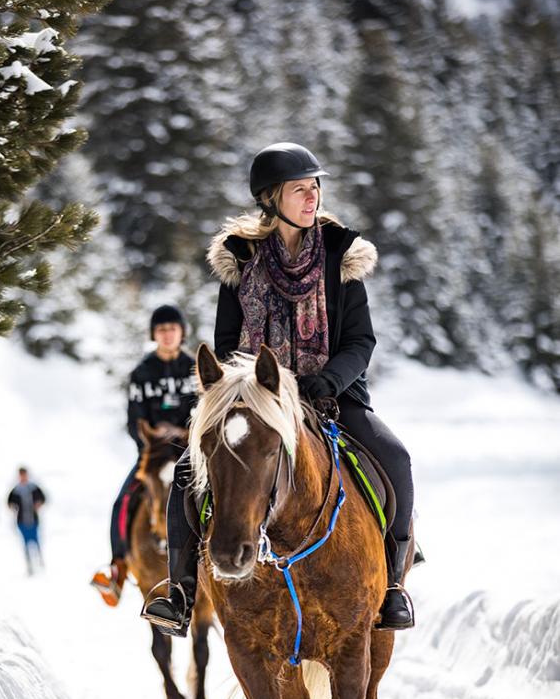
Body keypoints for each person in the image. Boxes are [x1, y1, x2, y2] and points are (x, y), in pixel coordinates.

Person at [144, 142, 416, 636]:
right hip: (256, 402)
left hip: (330, 397)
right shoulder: (239, 261)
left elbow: (361, 340)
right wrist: (251, 389)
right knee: (187, 472)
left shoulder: (341, 256)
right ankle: (181, 592)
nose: (311, 197)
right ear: (272, 198)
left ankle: (393, 584)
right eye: (299, 189)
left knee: (395, 457)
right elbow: (228, 344)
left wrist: (326, 380)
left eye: (315, 187)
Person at [91, 305, 198, 606]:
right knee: (122, 501)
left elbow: (203, 412)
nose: (167, 334)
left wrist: (184, 436)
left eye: (172, 329)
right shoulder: (141, 373)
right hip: (152, 454)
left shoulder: (194, 368)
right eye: (161, 329)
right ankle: (118, 569)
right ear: (154, 334)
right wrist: (150, 445)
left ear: (181, 332)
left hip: (189, 453)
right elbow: (133, 419)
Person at [8, 467, 46, 574]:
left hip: (33, 519)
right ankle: (29, 564)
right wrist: (13, 507)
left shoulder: (33, 487)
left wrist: (38, 504)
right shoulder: (16, 490)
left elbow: (43, 498)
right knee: (25, 543)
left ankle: (40, 561)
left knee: (36, 541)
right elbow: (9, 502)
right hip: (22, 521)